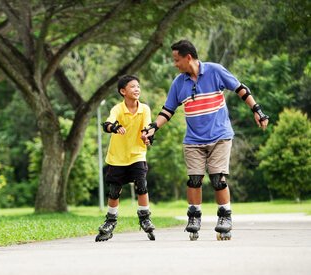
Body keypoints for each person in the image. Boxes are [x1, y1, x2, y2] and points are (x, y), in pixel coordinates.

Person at [143, 39, 269, 241]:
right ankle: (194, 217)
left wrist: (257, 111)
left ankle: (225, 217)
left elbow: (240, 89)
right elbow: (167, 111)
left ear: (188, 57)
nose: (175, 64)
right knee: (194, 180)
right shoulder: (178, 83)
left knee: (218, 178)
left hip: (220, 136)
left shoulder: (215, 71)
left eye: (177, 60)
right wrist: (153, 127)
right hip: (193, 139)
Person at [95, 74, 156, 242]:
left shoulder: (145, 109)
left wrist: (146, 136)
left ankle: (145, 217)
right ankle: (110, 221)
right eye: (132, 87)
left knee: (141, 186)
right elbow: (107, 124)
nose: (137, 89)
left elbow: (148, 128)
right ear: (123, 91)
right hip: (117, 157)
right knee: (114, 191)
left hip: (137, 154)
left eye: (138, 86)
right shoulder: (117, 109)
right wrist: (114, 127)